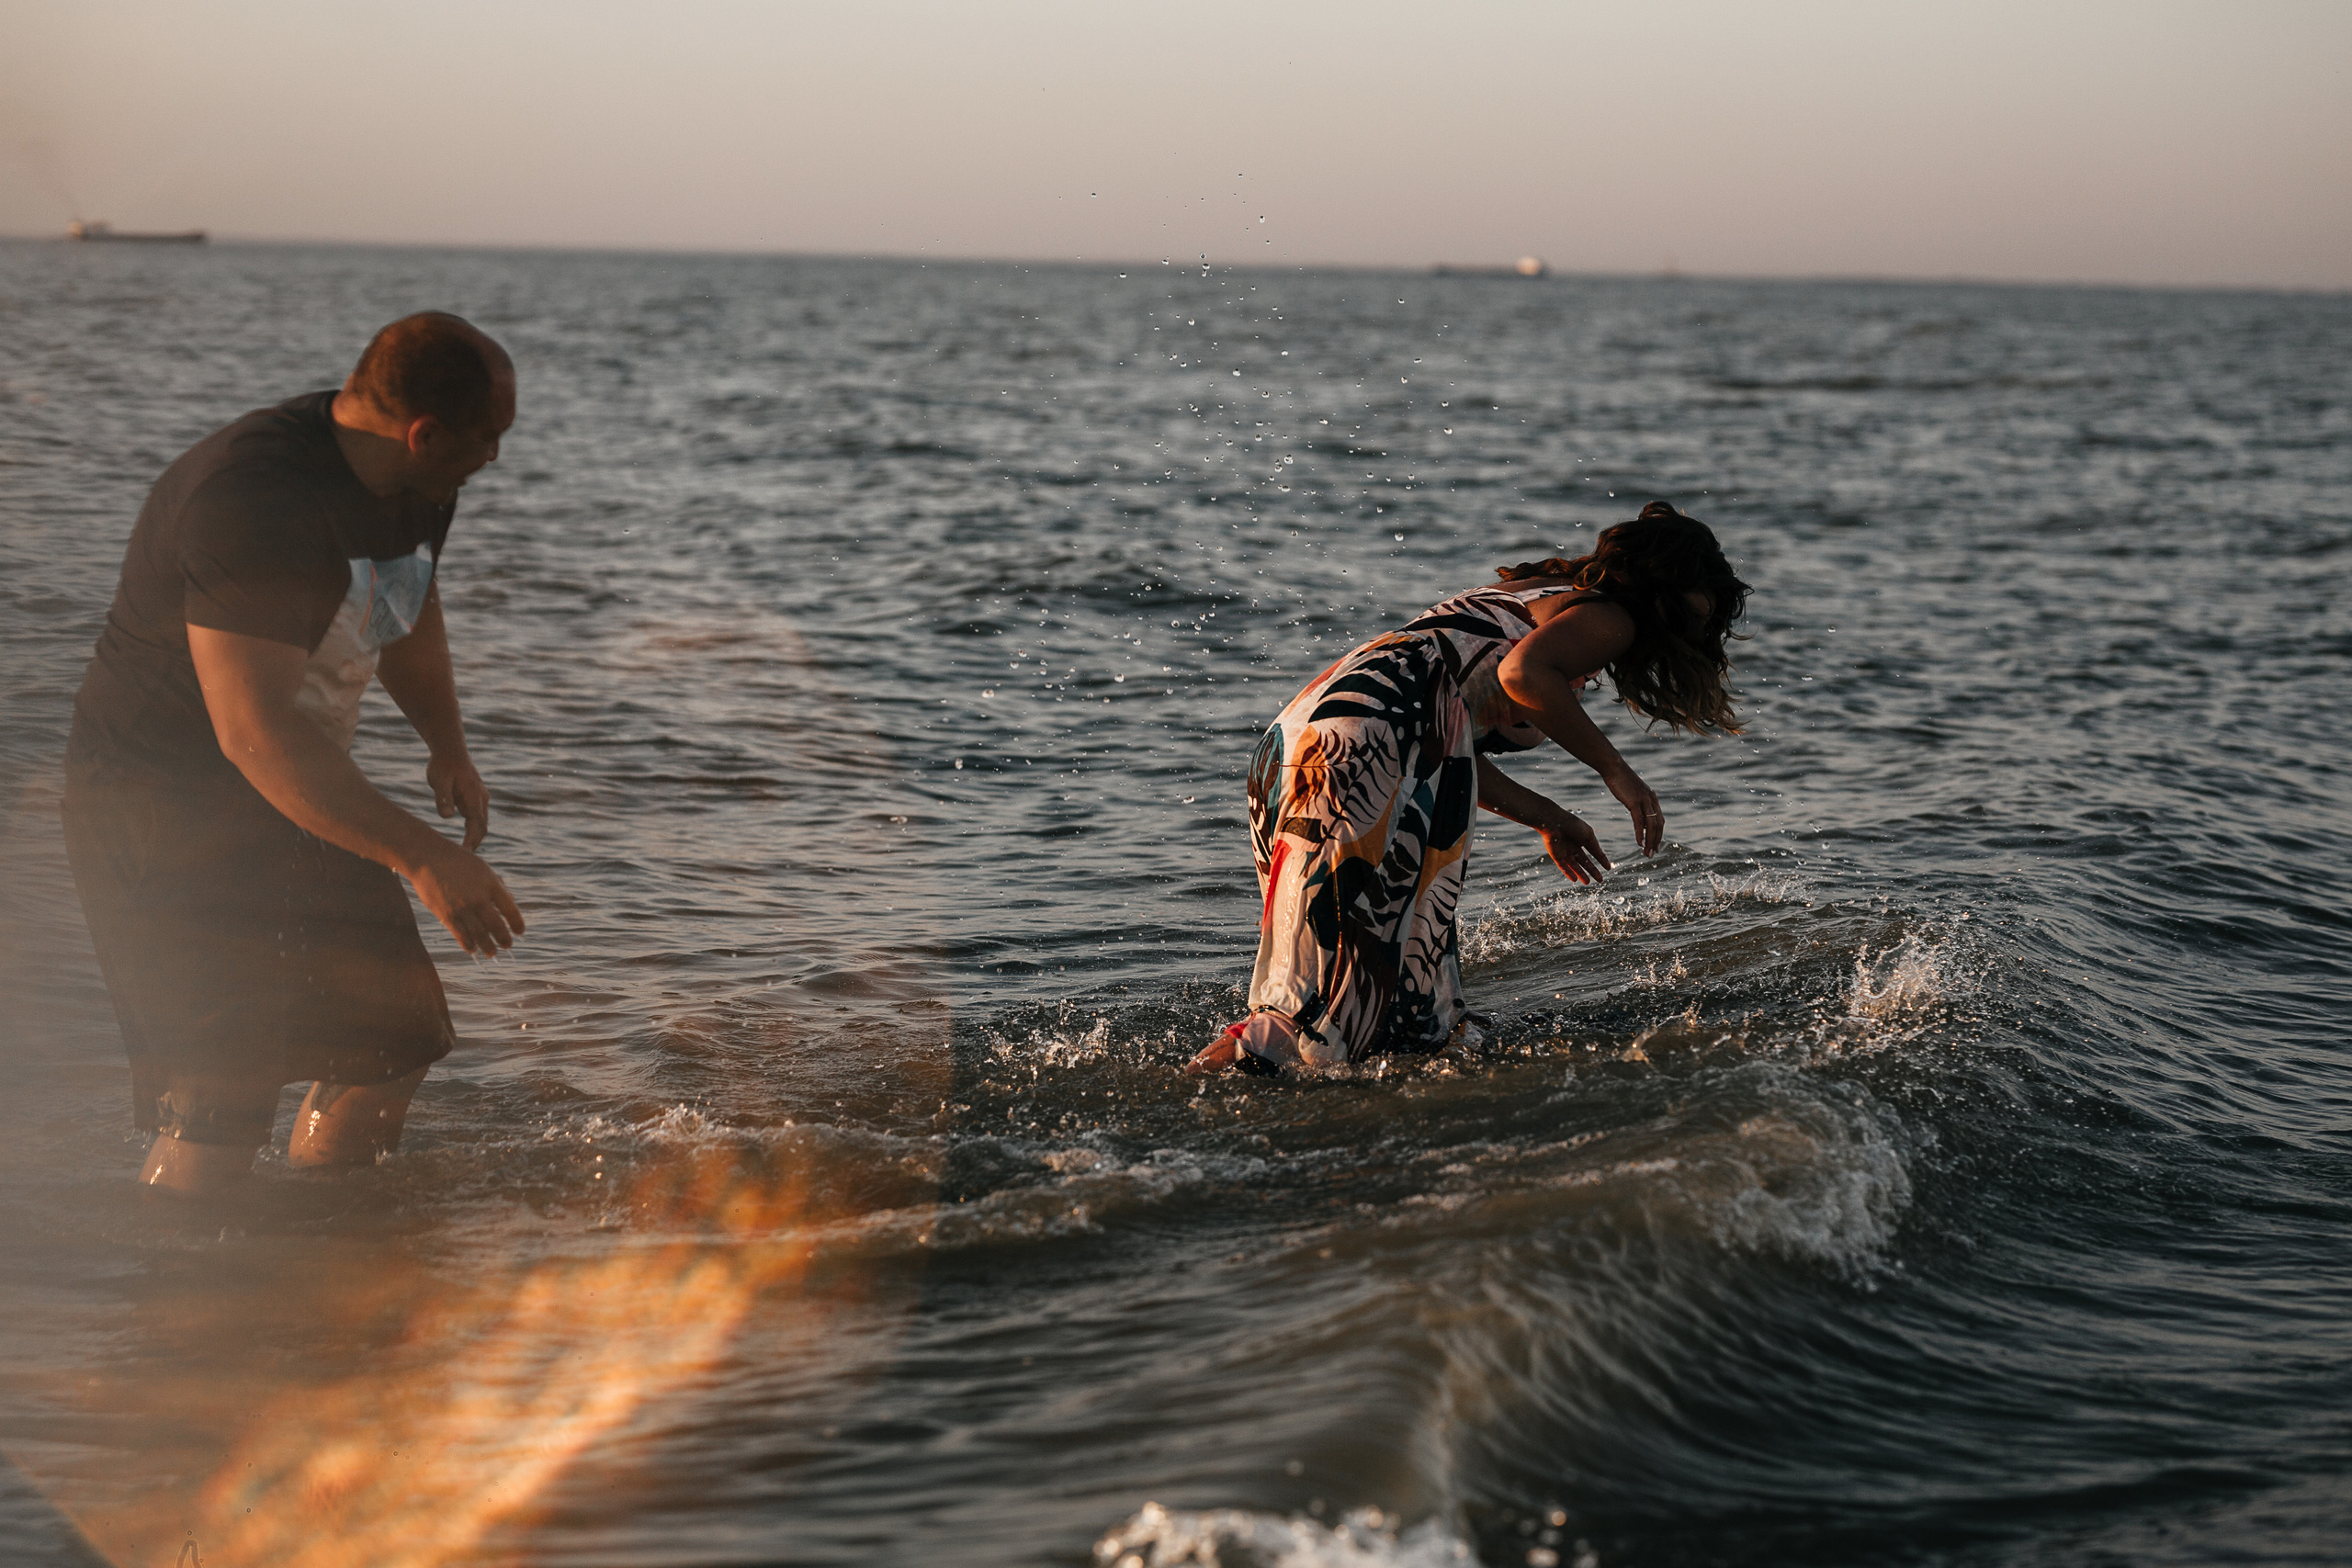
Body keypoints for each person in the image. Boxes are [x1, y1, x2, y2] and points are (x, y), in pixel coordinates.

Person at [61, 312, 526, 1194]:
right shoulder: (254, 500)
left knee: (392, 1043)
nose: (494, 458)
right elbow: (252, 732)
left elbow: (404, 602)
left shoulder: (417, 479)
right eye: (487, 439)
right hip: (161, 810)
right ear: (425, 432)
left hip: (296, 785)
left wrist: (447, 745)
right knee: (222, 1097)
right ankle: (183, 1307)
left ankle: (322, 1263)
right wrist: (423, 858)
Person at [1186, 502, 1750, 1075]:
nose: (1702, 625)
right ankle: (1192, 1113)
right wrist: (1618, 774)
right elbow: (1523, 676)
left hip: (1307, 736)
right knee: (1320, 998)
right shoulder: (1611, 617)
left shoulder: (1538, 592)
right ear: (1672, 585)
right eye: (1705, 602)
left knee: (1375, 981)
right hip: (1369, 746)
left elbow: (1441, 746)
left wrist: (1547, 816)